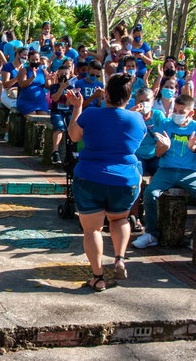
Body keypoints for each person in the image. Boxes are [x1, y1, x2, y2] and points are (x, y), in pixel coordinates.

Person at [65, 73, 146, 291]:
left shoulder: (90, 114)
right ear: (128, 98)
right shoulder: (137, 118)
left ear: (106, 93)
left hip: (90, 176)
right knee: (120, 219)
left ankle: (98, 277)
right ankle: (119, 258)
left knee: (93, 230)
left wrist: (77, 107)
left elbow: (74, 136)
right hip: (124, 180)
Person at [134, 95, 196, 249]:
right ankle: (151, 233)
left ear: (191, 113)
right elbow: (158, 154)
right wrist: (164, 147)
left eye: (181, 112)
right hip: (166, 169)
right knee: (150, 193)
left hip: (188, 172)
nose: (177, 114)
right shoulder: (166, 124)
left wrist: (194, 148)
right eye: (175, 111)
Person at [49, 66, 73, 164]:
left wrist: (70, 94)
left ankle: (71, 152)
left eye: (66, 73)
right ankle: (55, 151)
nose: (63, 75)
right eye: (61, 73)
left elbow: (68, 103)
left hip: (68, 111)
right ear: (58, 74)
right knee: (59, 126)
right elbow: (54, 99)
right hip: (56, 111)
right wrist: (61, 88)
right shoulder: (54, 87)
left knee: (72, 126)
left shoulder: (72, 87)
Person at [16, 50, 51, 116]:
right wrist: (32, 77)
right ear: (29, 60)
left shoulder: (43, 71)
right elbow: (22, 84)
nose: (35, 62)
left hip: (40, 101)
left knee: (44, 118)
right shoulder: (24, 70)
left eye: (36, 60)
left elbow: (48, 86)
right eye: (32, 60)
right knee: (33, 117)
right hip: (26, 101)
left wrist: (48, 78)